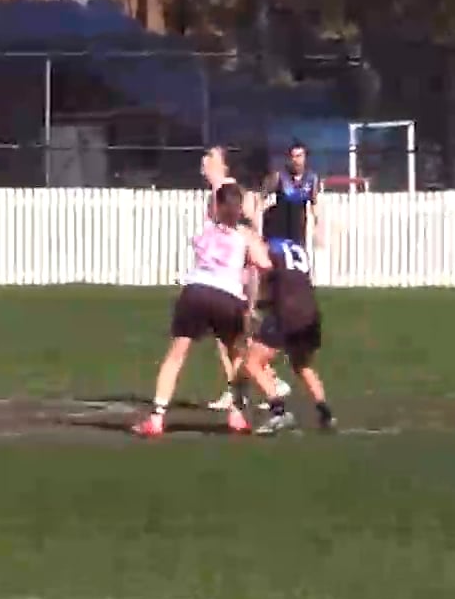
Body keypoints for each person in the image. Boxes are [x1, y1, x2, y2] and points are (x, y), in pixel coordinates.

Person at [133, 181, 269, 438]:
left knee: (176, 355)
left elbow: (218, 197)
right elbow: (263, 264)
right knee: (236, 355)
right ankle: (237, 413)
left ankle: (157, 417)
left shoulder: (206, 228)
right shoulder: (244, 236)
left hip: (195, 292)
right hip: (228, 297)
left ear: (216, 207)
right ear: (239, 209)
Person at [243, 225, 336, 435]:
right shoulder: (296, 249)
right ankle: (326, 413)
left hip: (287, 311)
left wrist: (254, 306)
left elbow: (265, 281)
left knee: (253, 362)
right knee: (302, 364)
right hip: (311, 310)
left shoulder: (267, 249)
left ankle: (278, 412)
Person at [200, 147, 262, 412]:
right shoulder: (214, 193)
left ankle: (257, 383)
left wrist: (249, 258)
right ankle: (241, 389)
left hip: (238, 273)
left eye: (210, 159)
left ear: (222, 165)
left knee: (234, 336)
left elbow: (251, 221)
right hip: (225, 272)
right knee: (229, 337)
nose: (204, 163)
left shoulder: (229, 189)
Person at [263, 140, 323, 251]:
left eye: (299, 156)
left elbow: (314, 202)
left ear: (305, 157)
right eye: (293, 157)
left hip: (298, 229)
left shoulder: (311, 178)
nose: (296, 160)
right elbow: (263, 197)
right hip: (279, 228)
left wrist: (318, 225)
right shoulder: (280, 176)